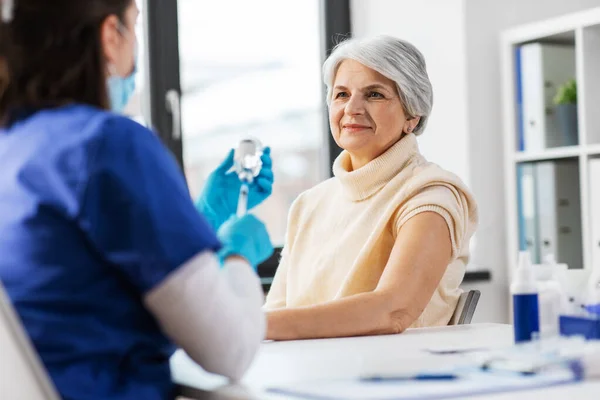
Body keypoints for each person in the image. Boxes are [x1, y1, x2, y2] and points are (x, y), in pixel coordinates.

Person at [0, 1, 274, 399]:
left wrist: (205, 216)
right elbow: (230, 350)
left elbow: (94, 275)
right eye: (136, 26)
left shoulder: (14, 146)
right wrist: (238, 253)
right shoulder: (107, 144)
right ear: (111, 35)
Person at [263, 35, 479, 340]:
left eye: (374, 94)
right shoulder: (309, 203)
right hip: (310, 373)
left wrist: (254, 325)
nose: (352, 108)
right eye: (341, 94)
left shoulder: (431, 193)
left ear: (412, 115)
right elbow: (276, 310)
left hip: (395, 379)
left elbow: (393, 311)